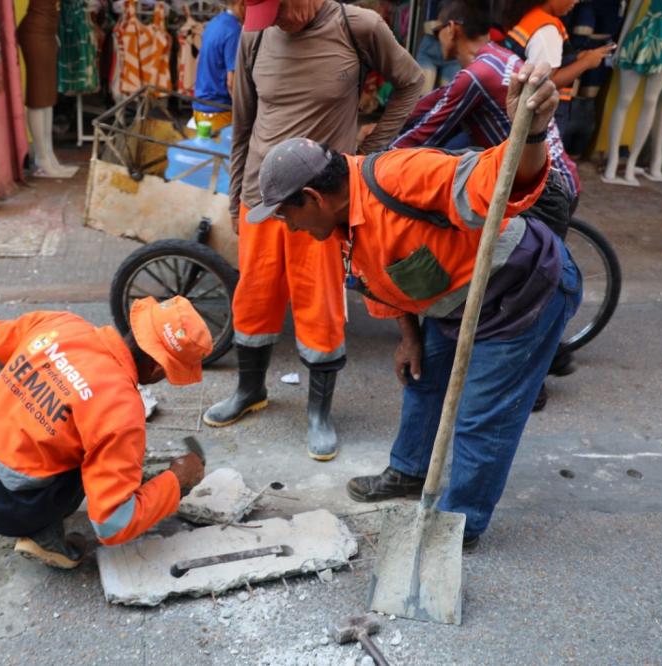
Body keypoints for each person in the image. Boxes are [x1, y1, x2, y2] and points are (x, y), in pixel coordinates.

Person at [246, 61, 582, 547]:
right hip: (453, 301)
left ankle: (458, 525)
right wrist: (408, 337)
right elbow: (382, 280)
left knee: (480, 419)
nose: (288, 227)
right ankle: (409, 472)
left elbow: (499, 178)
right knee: (423, 380)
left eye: (286, 215)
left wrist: (528, 133)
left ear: (314, 198)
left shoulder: (401, 175)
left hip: (523, 290)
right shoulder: (337, 226)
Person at [205, 0, 423, 462]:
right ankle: (249, 390)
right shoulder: (256, 33)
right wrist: (235, 198)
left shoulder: (358, 26)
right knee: (254, 298)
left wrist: (371, 150)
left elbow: (412, 82)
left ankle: (319, 414)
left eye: (280, 10)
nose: (277, 23)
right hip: (261, 198)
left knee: (319, 305)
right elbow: (243, 123)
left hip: (319, 205)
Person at [392, 0, 580, 407]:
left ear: (453, 28)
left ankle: (534, 383)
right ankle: (552, 354)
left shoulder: (477, 75)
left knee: (516, 296)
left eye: (438, 30)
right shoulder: (496, 58)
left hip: (541, 190)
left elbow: (428, 131)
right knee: (527, 286)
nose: (437, 38)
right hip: (557, 178)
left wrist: (374, 164)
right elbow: (434, 105)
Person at [0, 297, 213, 568]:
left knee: (38, 416)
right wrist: (176, 482)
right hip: (2, 507)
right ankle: (42, 535)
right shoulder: (121, 409)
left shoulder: (61, 323)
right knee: (94, 458)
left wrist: (36, 371)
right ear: (158, 368)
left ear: (137, 326)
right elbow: (113, 525)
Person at [503, 0, 614, 133]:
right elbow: (548, 81)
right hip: (544, 115)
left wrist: (579, 58)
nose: (576, 1)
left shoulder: (534, 17)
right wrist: (586, 63)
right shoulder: (548, 31)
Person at [192, 0, 243, 133]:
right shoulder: (234, 30)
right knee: (222, 146)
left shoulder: (214, 23)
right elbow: (232, 81)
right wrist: (243, 111)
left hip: (200, 106)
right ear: (241, 3)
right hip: (218, 110)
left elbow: (198, 61)